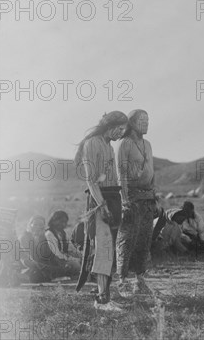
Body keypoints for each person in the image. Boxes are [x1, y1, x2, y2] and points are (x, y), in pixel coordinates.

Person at [75, 110, 128, 311]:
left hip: (113, 196)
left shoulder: (109, 145)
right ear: (110, 125)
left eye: (124, 130)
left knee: (110, 249)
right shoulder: (92, 143)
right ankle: (101, 300)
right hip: (100, 200)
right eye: (120, 128)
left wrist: (119, 202)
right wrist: (102, 205)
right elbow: (91, 179)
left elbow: (110, 177)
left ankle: (105, 296)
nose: (121, 133)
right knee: (103, 249)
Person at [116, 110, 156, 296]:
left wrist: (154, 196)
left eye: (147, 120)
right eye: (142, 120)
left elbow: (152, 172)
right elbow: (121, 174)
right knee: (127, 239)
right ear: (132, 123)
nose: (146, 123)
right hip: (131, 198)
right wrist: (124, 201)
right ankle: (122, 281)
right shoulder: (125, 144)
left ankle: (139, 281)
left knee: (144, 240)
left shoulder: (147, 144)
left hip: (147, 197)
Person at [43, 211, 81, 276]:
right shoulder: (49, 234)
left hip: (63, 259)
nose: (63, 224)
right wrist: (70, 258)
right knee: (76, 265)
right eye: (61, 221)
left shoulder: (63, 233)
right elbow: (56, 253)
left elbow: (71, 248)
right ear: (54, 221)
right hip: (53, 261)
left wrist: (81, 255)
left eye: (65, 222)